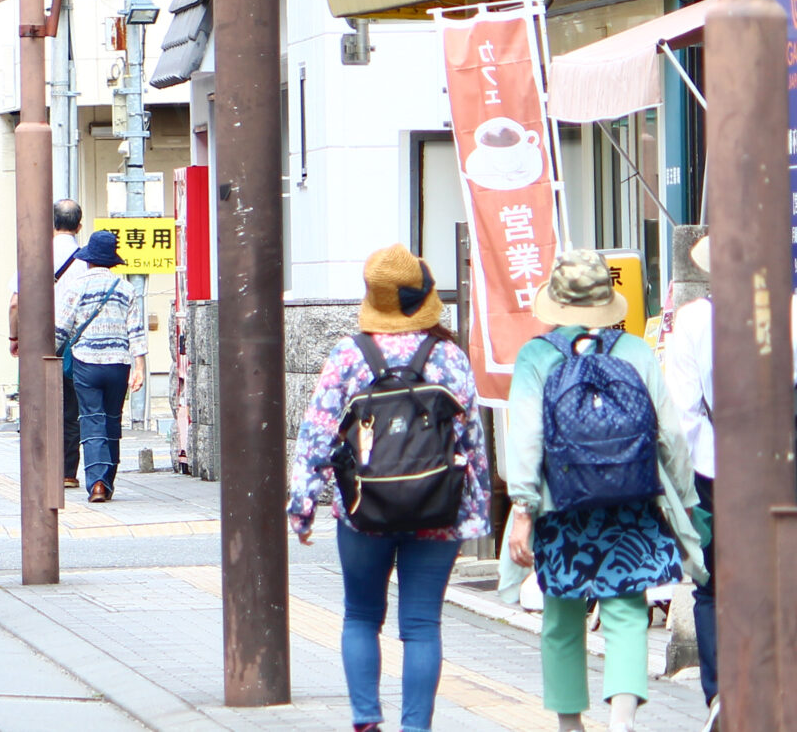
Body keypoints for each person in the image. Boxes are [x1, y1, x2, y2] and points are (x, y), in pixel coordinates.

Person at [289, 246, 491, 732]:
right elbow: (474, 443)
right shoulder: (448, 357)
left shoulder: (349, 355)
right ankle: (415, 727)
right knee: (422, 624)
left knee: (360, 616)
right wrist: (477, 512)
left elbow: (317, 433)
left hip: (363, 509)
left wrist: (302, 506)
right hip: (438, 511)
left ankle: (365, 720)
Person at [505, 250, 705, 732]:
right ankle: (621, 723)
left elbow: (526, 435)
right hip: (631, 500)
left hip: (560, 507)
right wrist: (685, 501)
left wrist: (523, 507)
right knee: (626, 611)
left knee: (562, 614)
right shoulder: (634, 350)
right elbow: (671, 435)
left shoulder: (536, 355)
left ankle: (571, 724)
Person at [659, 235, 716, 712]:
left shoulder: (694, 319)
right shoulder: (789, 310)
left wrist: (684, 486)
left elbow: (683, 414)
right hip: (782, 470)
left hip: (713, 475)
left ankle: (722, 694)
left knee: (712, 585)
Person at [58, 228, 143, 502]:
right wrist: (139, 366)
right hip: (119, 365)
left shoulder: (76, 287)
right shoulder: (126, 289)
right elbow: (136, 332)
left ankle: (96, 483)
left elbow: (61, 328)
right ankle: (107, 480)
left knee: (91, 419)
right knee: (112, 419)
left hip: (86, 363)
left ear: (88, 259)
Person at [11, 199, 88, 485]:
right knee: (71, 408)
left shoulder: (36, 254)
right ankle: (68, 472)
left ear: (51, 223)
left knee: (38, 405)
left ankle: (40, 467)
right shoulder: (86, 259)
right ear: (79, 225)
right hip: (74, 342)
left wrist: (14, 337)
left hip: (39, 340)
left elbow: (15, 303)